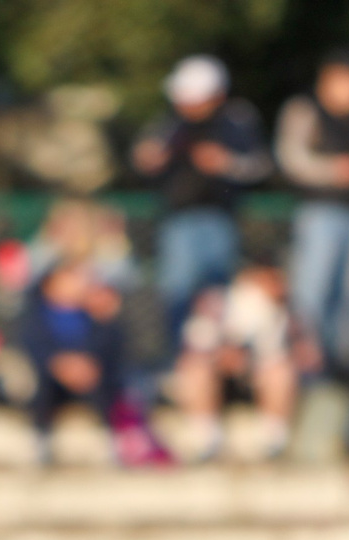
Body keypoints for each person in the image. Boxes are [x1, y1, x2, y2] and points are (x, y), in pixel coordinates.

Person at [130, 55, 272, 347]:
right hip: (179, 220)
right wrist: (148, 158)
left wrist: (225, 163)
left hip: (221, 219)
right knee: (177, 293)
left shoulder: (237, 120)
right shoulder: (169, 123)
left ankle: (218, 360)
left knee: (218, 298)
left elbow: (261, 165)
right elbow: (141, 157)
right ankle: (176, 361)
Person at [277, 49, 349, 378]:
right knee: (313, 294)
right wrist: (332, 170)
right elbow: (290, 158)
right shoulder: (305, 109)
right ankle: (308, 371)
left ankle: (340, 374)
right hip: (320, 214)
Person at [167, 265, 297, 461]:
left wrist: (247, 360)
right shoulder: (218, 301)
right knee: (194, 369)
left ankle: (273, 441)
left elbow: (274, 354)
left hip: (252, 377)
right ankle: (205, 440)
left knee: (281, 371)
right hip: (216, 375)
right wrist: (223, 356)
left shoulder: (279, 312)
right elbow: (196, 345)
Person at [16, 257, 127, 459]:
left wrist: (105, 318)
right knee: (42, 394)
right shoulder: (36, 315)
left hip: (89, 375)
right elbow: (34, 347)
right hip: (52, 377)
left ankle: (114, 445)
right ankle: (41, 444)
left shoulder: (95, 314)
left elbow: (110, 349)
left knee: (107, 391)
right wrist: (60, 365)